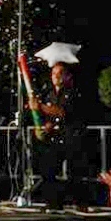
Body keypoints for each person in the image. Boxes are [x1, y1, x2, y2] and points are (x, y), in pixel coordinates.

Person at [31, 62, 82, 211]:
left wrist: (40, 107)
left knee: (74, 171)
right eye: (54, 73)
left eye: (60, 73)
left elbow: (62, 112)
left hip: (71, 135)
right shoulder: (50, 94)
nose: (56, 76)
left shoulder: (72, 92)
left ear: (67, 76)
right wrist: (46, 125)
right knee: (48, 168)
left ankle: (80, 203)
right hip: (55, 136)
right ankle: (53, 203)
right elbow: (52, 117)